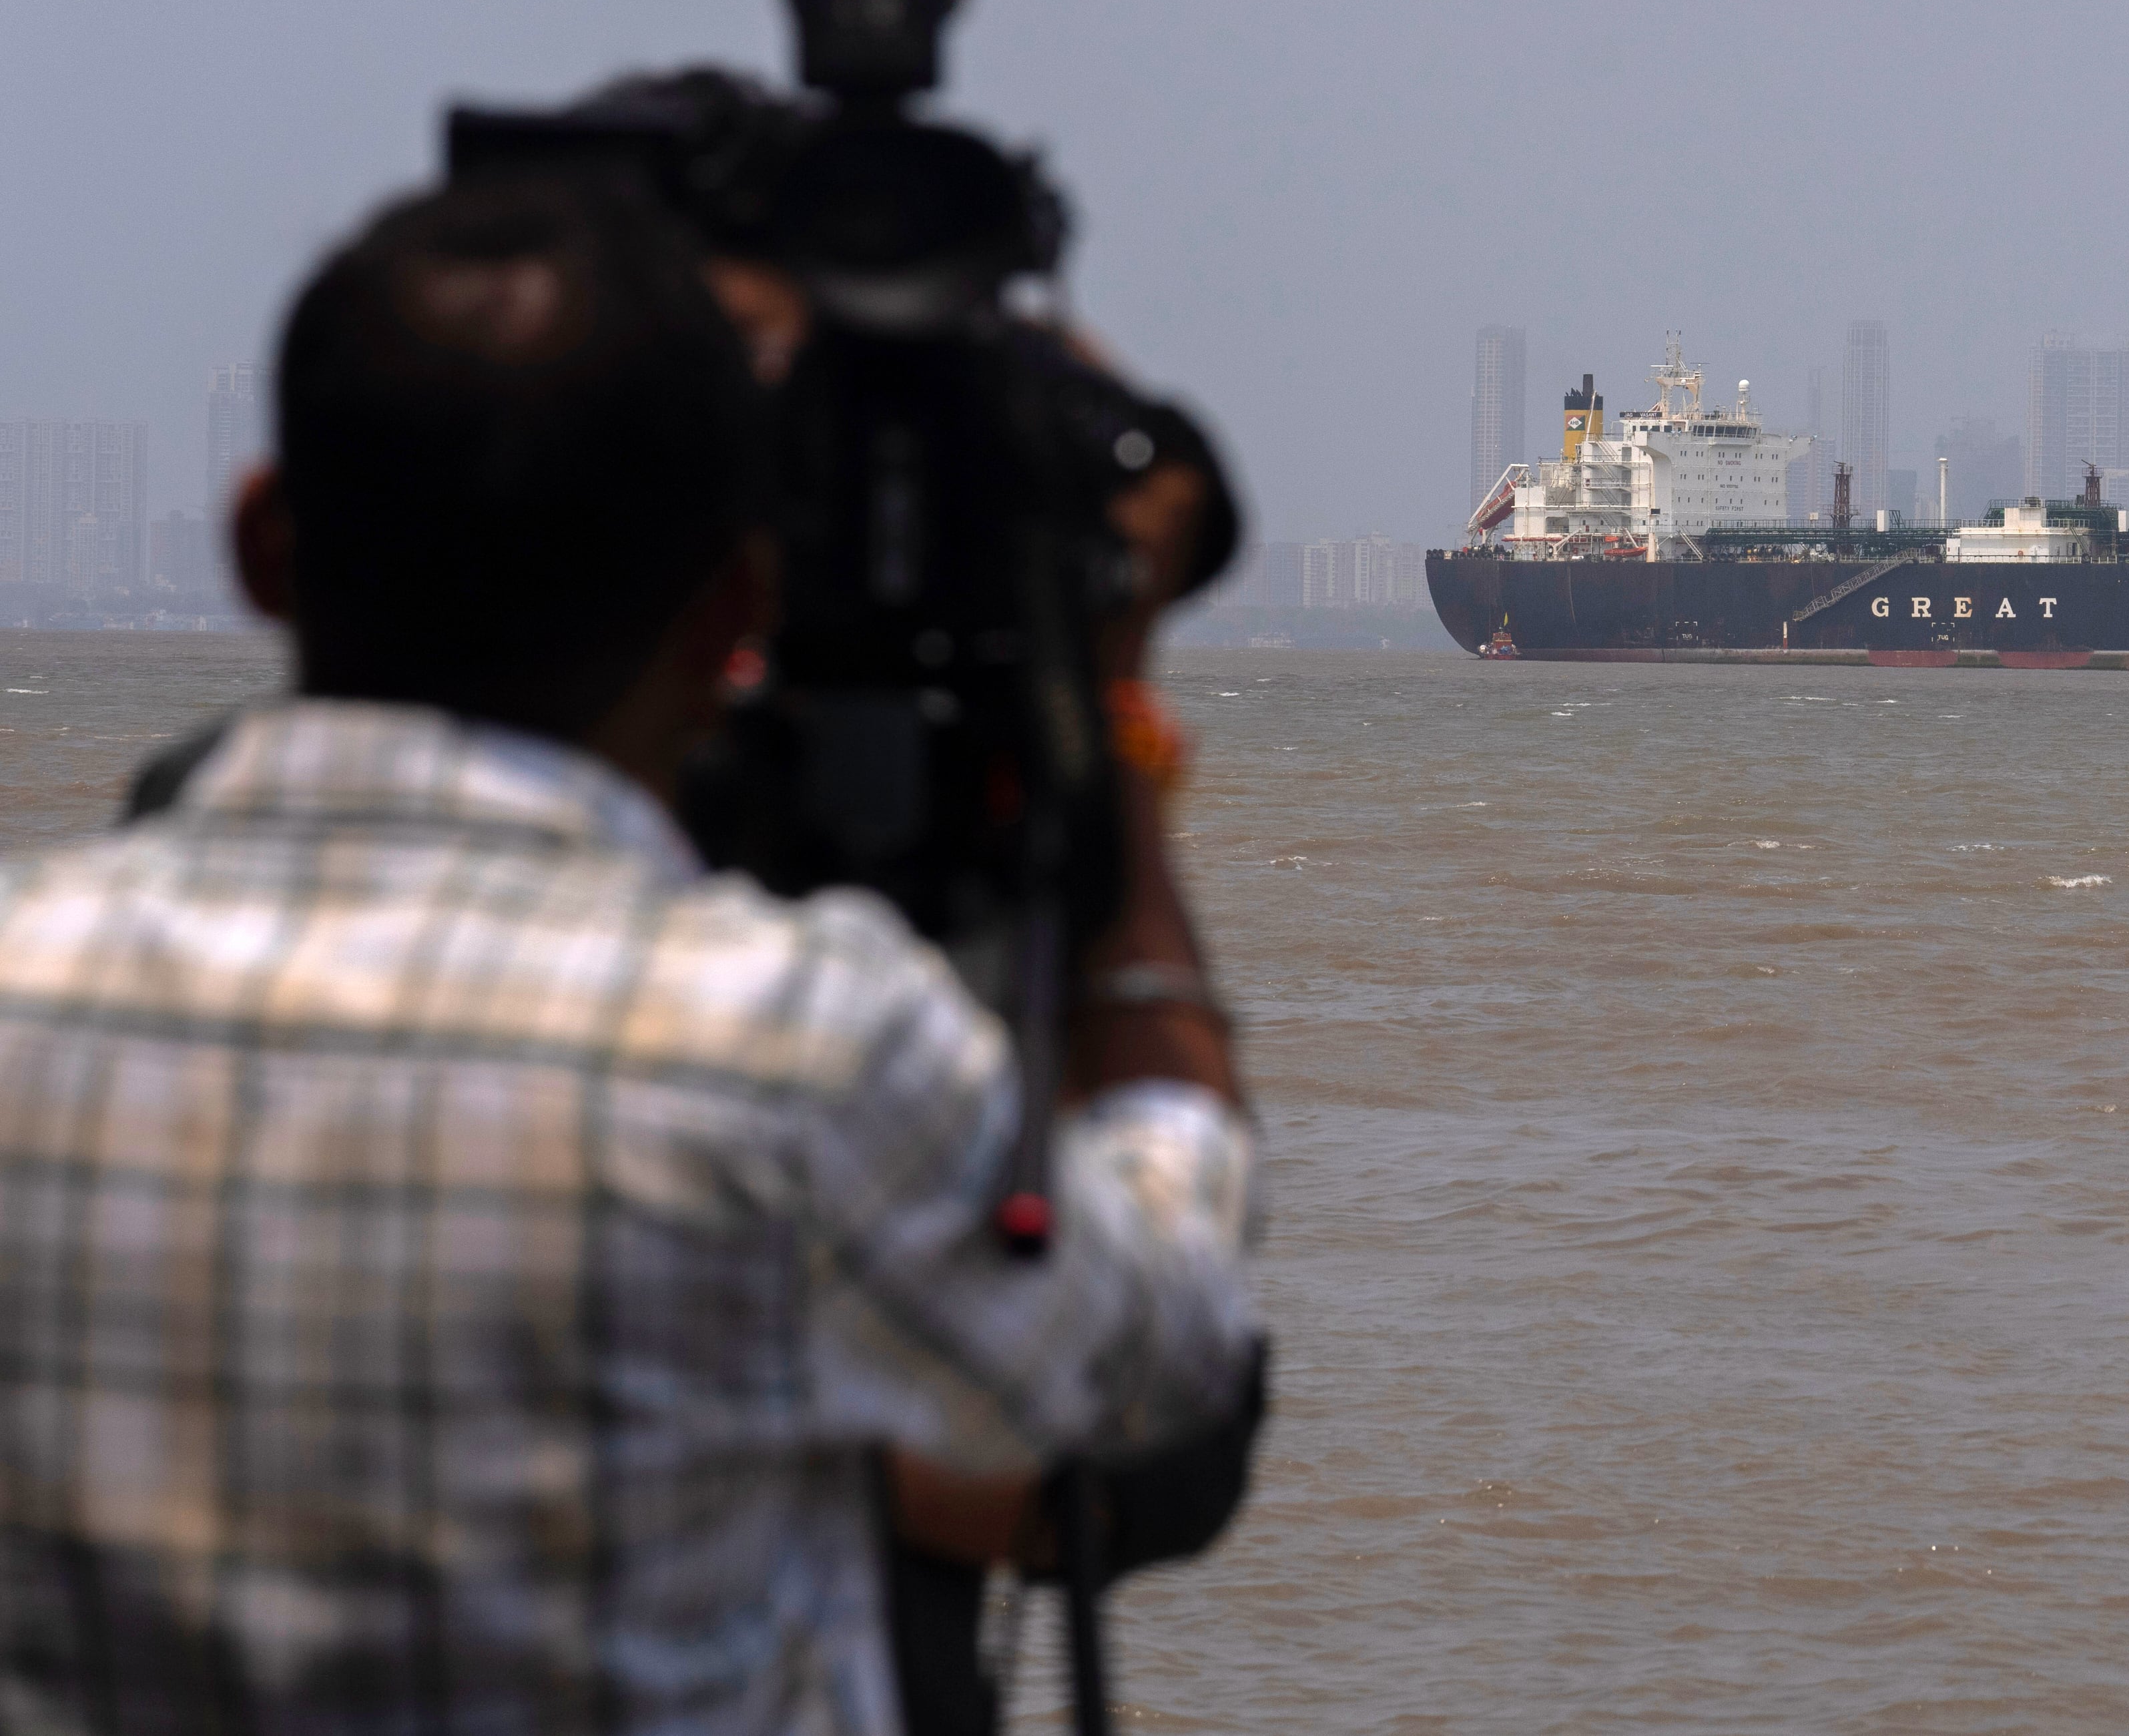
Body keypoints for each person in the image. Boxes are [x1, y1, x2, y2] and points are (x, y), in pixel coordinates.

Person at [0, 168, 1257, 1731]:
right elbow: (1155, 1356)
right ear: (736, 600)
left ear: (261, 541)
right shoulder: (793, 1042)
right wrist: (1106, 734)